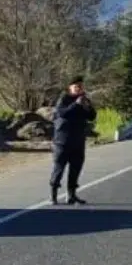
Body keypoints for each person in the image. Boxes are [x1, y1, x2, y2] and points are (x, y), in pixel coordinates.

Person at [50, 75, 96, 205]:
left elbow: (92, 116)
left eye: (81, 87)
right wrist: (76, 104)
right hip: (63, 142)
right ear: (70, 88)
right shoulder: (64, 99)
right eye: (76, 87)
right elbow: (63, 113)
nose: (79, 89)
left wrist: (88, 106)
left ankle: (72, 195)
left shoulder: (84, 100)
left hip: (78, 141)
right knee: (59, 168)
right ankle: (53, 195)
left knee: (75, 169)